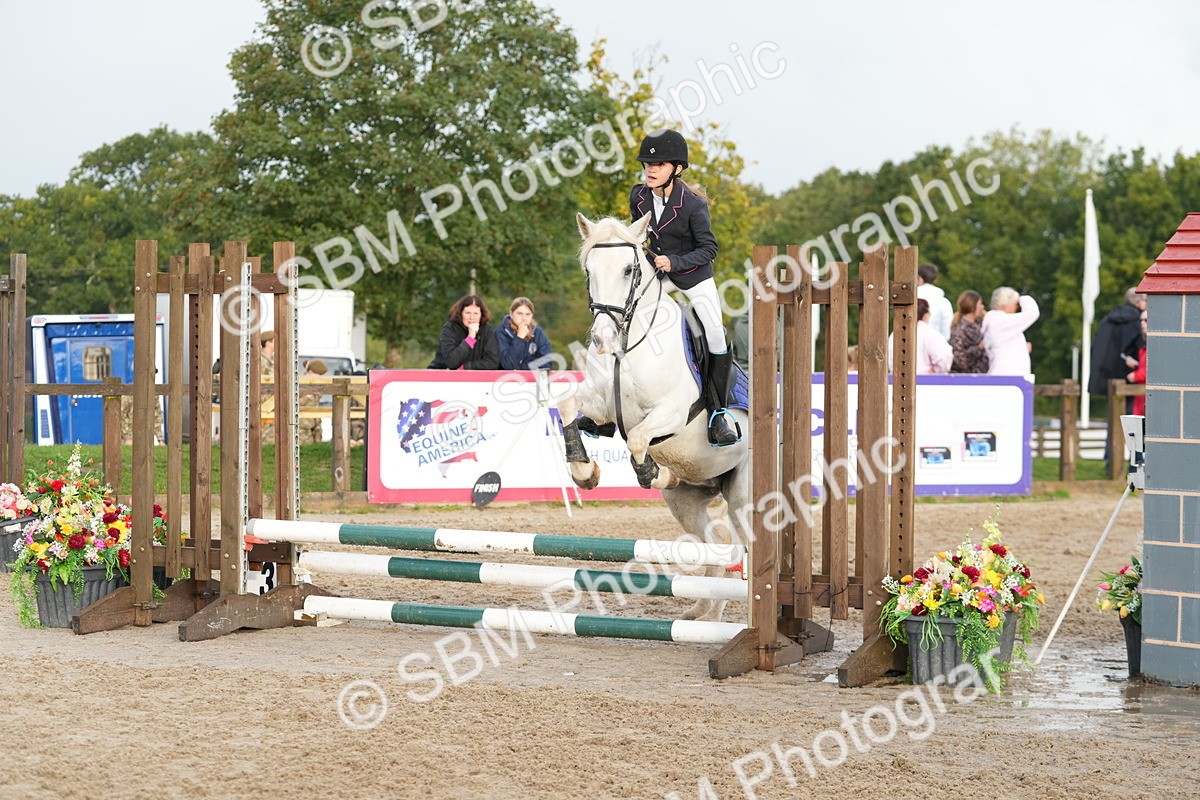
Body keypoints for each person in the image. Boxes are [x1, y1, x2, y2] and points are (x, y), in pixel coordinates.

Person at [630, 128, 738, 446]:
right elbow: (639, 234)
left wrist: (673, 263)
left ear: (676, 169)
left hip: (693, 276)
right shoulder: (638, 196)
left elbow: (709, 249)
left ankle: (719, 414)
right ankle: (615, 405)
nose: (650, 169)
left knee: (715, 332)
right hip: (657, 276)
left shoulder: (692, 204)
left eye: (659, 164)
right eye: (648, 164)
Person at [1090, 287, 1147, 408]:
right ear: (1139, 302)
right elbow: (1142, 347)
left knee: (1113, 416)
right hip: (1131, 378)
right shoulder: (1139, 321)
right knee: (1130, 419)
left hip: (1107, 375)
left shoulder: (1107, 320)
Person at [428, 294, 501, 370]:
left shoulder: (487, 330)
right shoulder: (450, 328)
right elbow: (451, 362)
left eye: (475, 313)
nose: (472, 317)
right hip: (442, 375)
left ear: (481, 315)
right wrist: (470, 339)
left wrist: (466, 367)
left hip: (474, 377)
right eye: (468, 313)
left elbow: (492, 362)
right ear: (461, 313)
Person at [982, 287, 1040, 376]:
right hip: (1007, 376)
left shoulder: (995, 320)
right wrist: (1022, 298)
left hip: (1005, 375)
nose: (1017, 307)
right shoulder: (1001, 321)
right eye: (1015, 303)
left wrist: (1023, 348)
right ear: (1006, 303)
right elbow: (1032, 313)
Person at [889, 299, 952, 374]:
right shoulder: (931, 334)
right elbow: (943, 357)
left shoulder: (896, 333)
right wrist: (935, 371)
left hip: (899, 379)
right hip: (928, 382)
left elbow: (890, 359)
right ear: (927, 314)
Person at [497, 297, 554, 370]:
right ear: (511, 314)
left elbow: (546, 363)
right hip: (506, 379)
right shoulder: (501, 333)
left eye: (527, 314)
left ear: (532, 316)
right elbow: (507, 365)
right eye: (519, 314)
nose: (524, 318)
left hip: (531, 379)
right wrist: (519, 338)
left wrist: (521, 368)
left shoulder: (538, 333)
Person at [949, 290, 989, 373]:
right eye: (980, 304)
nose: (982, 307)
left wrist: (988, 318)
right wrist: (979, 348)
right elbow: (959, 359)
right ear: (972, 306)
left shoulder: (981, 324)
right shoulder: (961, 330)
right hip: (969, 378)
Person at [917, 263, 954, 340]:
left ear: (920, 279)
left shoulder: (911, 299)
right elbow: (947, 332)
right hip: (936, 346)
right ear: (935, 280)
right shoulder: (944, 302)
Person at [298, 359, 328, 445]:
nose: (320, 378)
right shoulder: (298, 385)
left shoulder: (315, 388)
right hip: (301, 430)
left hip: (313, 429)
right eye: (319, 375)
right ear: (311, 372)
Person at [1128, 309, 1148, 417]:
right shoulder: (1143, 346)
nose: (1142, 324)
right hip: (1141, 397)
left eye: (1146, 320)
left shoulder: (1156, 345)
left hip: (1148, 397)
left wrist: (1135, 376)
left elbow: (1154, 369)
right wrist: (1135, 366)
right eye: (1141, 320)